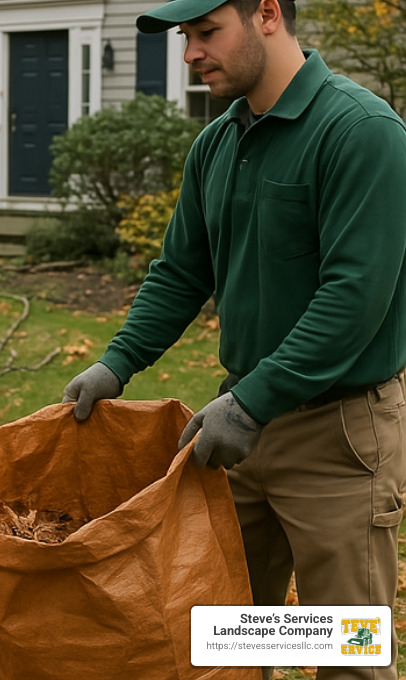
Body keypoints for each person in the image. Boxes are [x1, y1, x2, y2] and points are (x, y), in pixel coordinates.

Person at [62, 0, 406, 677]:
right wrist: (118, 362)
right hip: (240, 433)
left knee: (347, 654)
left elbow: (353, 300)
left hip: (337, 436)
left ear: (269, 14)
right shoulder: (217, 143)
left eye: (206, 32)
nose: (190, 54)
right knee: (235, 642)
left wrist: (253, 401)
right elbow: (180, 273)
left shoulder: (362, 132)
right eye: (187, 37)